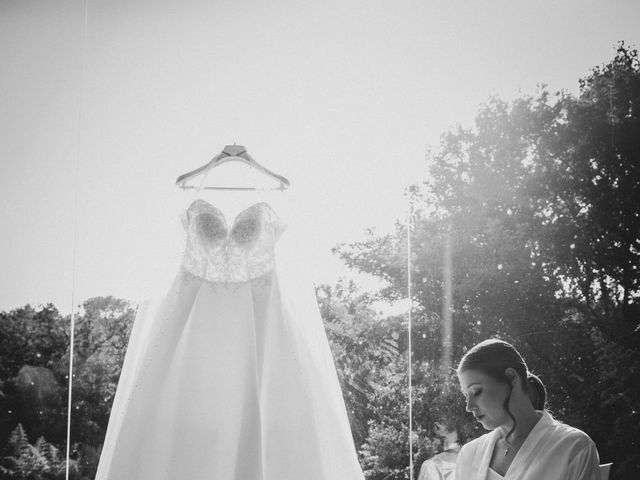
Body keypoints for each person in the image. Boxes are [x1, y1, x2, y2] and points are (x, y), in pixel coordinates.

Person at [454, 339, 600, 480]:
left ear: (511, 378)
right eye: (466, 396)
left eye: (477, 392)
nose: (469, 406)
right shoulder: (468, 455)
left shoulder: (573, 448)